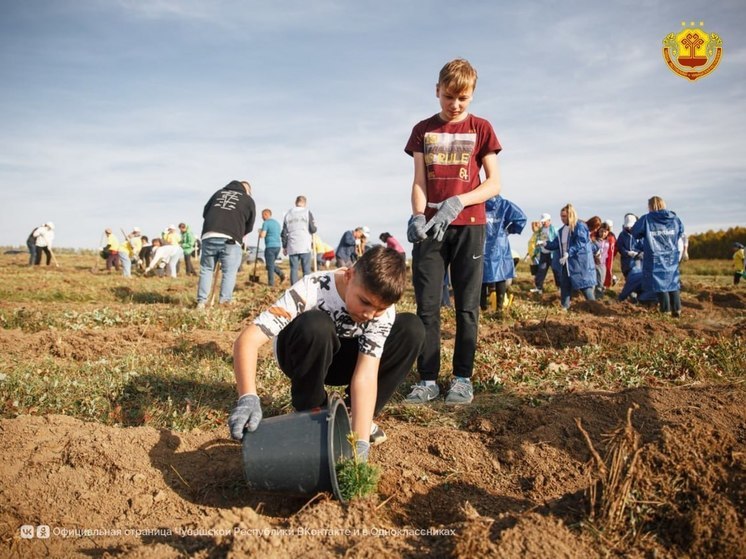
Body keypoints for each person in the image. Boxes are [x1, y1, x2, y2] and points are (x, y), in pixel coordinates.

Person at [228, 246, 425, 461]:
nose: (370, 314)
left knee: (411, 328)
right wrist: (248, 397)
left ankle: (353, 417)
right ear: (349, 275)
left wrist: (358, 443)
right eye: (365, 302)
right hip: (302, 353)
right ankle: (312, 416)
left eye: (379, 309)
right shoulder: (313, 288)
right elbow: (247, 341)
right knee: (317, 325)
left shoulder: (381, 315)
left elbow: (367, 374)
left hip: (345, 361)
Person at [404, 58, 502, 405]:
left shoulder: (481, 128)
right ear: (437, 91)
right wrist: (418, 215)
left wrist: (460, 201)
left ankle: (462, 379)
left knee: (466, 307)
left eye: (463, 98)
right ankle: (427, 380)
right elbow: (419, 181)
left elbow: (494, 183)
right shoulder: (423, 130)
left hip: (469, 227)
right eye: (448, 96)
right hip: (431, 229)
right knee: (427, 307)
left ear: (472, 96)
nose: (455, 104)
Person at [196, 180, 256, 308]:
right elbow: (250, 225)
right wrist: (239, 233)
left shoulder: (218, 193)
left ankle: (201, 303)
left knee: (206, 269)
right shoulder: (248, 200)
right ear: (247, 191)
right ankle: (224, 304)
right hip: (231, 239)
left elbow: (205, 212)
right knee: (229, 272)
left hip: (209, 234)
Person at [631, 196, 685, 317]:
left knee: (660, 284)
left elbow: (635, 232)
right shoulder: (675, 219)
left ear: (651, 206)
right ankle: (677, 310)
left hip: (655, 257)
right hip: (671, 256)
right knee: (672, 282)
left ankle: (666, 311)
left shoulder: (647, 219)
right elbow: (680, 232)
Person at [481, 195, 527, 317]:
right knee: (501, 274)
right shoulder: (504, 204)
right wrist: (507, 230)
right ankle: (499, 308)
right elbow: (521, 218)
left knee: (481, 274)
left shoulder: (479, 201)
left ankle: (482, 307)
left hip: (482, 242)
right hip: (499, 243)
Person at [544, 204, 596, 310]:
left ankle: (595, 307)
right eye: (561, 216)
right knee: (565, 285)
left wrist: (569, 252)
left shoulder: (580, 226)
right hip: (566, 263)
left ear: (570, 215)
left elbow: (580, 242)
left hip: (578, 263)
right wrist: (545, 244)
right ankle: (565, 307)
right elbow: (556, 244)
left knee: (584, 286)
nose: (562, 219)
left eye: (564, 216)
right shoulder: (562, 230)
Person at [282, 195, 317, 285]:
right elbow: (313, 229)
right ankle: (306, 287)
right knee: (306, 269)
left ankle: (294, 288)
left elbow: (284, 232)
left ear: (295, 202)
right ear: (305, 203)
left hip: (292, 245)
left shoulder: (288, 214)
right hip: (304, 244)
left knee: (294, 269)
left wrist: (284, 246)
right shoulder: (307, 212)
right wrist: (315, 227)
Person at [531, 213, 558, 294]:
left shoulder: (554, 230)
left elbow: (556, 242)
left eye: (545, 221)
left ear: (549, 221)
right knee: (541, 270)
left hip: (552, 254)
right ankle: (538, 288)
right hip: (543, 253)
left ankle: (559, 287)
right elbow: (536, 238)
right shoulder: (540, 230)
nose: (543, 223)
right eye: (542, 222)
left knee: (556, 271)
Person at [258, 209, 286, 286]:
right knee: (270, 265)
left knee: (270, 266)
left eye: (262, 215)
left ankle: (271, 284)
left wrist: (260, 233)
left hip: (270, 246)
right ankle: (282, 275)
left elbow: (263, 235)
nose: (262, 217)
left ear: (266, 214)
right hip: (277, 246)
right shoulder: (277, 223)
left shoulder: (266, 223)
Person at [617, 213, 643, 280]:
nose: (629, 228)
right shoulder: (622, 235)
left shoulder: (640, 234)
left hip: (638, 262)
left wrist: (640, 253)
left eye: (631, 226)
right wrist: (627, 253)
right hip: (626, 263)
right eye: (628, 226)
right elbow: (620, 247)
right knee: (628, 279)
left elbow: (643, 245)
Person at [591, 222, 611, 298]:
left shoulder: (607, 242)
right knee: (593, 283)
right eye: (601, 231)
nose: (603, 233)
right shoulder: (594, 241)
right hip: (594, 264)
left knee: (600, 283)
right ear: (598, 231)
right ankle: (591, 298)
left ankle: (599, 299)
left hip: (602, 265)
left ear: (608, 232)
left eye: (605, 231)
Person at [602, 219, 617, 288]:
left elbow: (614, 249)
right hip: (603, 256)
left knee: (608, 270)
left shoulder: (611, 237)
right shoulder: (606, 235)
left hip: (608, 257)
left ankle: (607, 284)